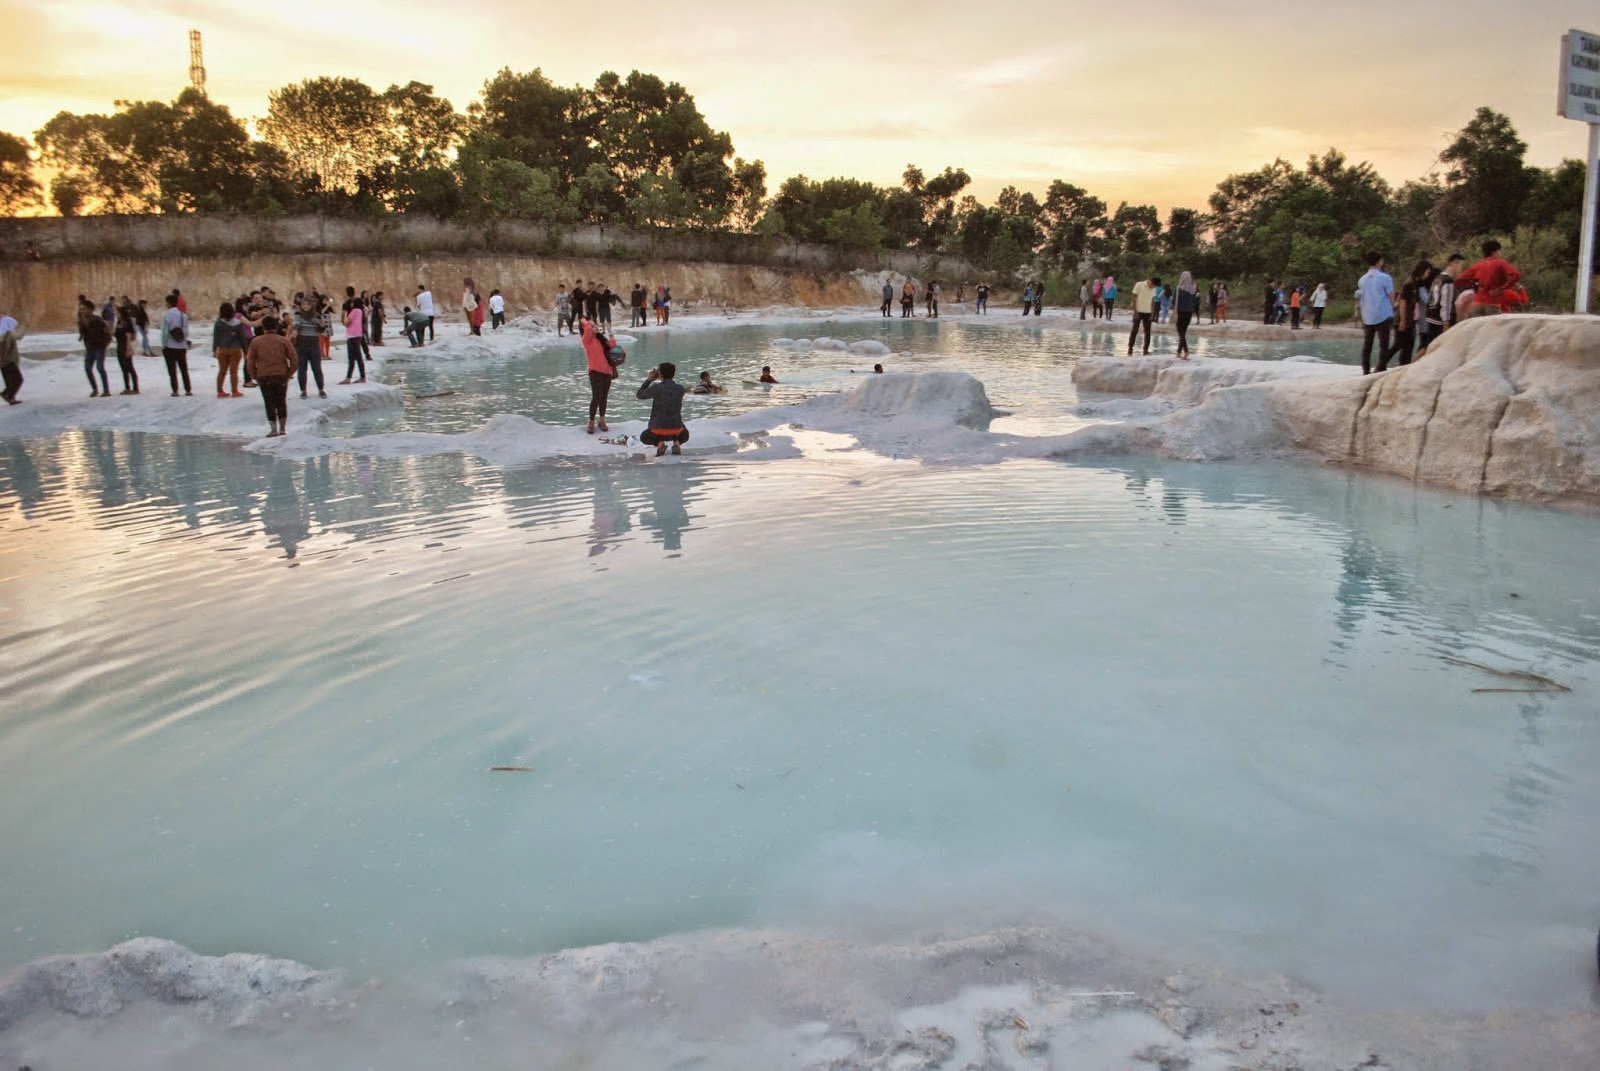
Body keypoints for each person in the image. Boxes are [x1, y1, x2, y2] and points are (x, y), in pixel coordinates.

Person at [246, 316, 297, 438]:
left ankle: (273, 429)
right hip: (281, 375)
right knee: (281, 402)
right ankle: (283, 428)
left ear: (263, 327)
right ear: (276, 326)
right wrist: (289, 373)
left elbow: (250, 361)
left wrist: (254, 375)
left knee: (269, 402)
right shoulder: (283, 341)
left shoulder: (256, 342)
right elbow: (294, 359)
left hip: (263, 375)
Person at [1379, 261, 1430, 371]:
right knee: (1398, 345)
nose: (1427, 274)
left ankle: (1403, 367)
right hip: (1403, 319)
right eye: (1427, 271)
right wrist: (1402, 321)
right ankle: (1381, 365)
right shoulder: (1409, 284)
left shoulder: (1416, 283)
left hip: (1411, 320)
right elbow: (1403, 302)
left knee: (1408, 346)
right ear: (1422, 271)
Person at [1453, 239, 1526, 316]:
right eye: (1499, 251)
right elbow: (1515, 275)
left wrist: (1475, 285)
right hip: (1492, 302)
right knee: (1495, 323)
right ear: (1494, 252)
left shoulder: (1477, 265)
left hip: (1477, 303)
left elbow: (1459, 281)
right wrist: (1502, 288)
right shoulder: (1500, 263)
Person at [637, 362, 689, 456]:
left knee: (644, 437)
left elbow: (639, 395)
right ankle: (677, 442)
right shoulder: (680, 389)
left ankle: (660, 443)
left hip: (657, 429)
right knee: (685, 434)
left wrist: (649, 380)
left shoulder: (656, 388)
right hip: (676, 429)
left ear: (660, 374)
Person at [1356, 252, 1395, 376]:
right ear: (1379, 262)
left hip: (1367, 315)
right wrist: (1393, 307)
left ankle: (1365, 369)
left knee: (1368, 344)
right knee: (1384, 344)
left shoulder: (1362, 280)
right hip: (1383, 314)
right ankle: (1381, 367)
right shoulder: (1385, 278)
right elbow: (1391, 295)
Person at [1421, 253, 1464, 353]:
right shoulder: (1448, 281)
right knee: (1436, 350)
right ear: (1455, 264)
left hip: (1431, 317)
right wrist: (1446, 322)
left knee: (1428, 348)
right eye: (1461, 265)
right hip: (1439, 321)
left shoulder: (1438, 278)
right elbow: (1446, 303)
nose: (1461, 269)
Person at [581, 318, 616, 434]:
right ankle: (591, 421)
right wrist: (586, 322)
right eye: (593, 326)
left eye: (596, 325)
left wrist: (610, 330)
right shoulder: (587, 340)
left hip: (607, 371)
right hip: (595, 371)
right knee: (596, 396)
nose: (595, 327)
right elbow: (587, 328)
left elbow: (613, 346)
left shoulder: (602, 339)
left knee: (604, 397)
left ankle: (602, 419)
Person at [292, 295, 327, 398]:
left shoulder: (317, 315)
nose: (305, 306)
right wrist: (295, 330)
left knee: (317, 368)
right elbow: (297, 324)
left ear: (312, 305)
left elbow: (321, 329)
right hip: (302, 345)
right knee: (302, 369)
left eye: (308, 304)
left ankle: (321, 389)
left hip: (314, 344)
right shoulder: (298, 314)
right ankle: (303, 390)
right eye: (303, 304)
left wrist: (321, 325)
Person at [212, 302, 248, 397]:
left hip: (223, 349)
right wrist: (245, 350)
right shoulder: (238, 323)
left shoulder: (218, 323)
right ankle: (235, 391)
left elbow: (216, 337)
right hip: (235, 349)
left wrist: (214, 349)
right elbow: (242, 337)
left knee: (222, 371)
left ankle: (220, 391)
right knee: (234, 371)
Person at [161, 292, 192, 396]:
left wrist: (163, 344)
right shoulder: (183, 316)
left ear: (169, 303)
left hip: (170, 346)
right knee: (184, 369)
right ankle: (188, 389)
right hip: (181, 346)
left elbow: (165, 332)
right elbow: (186, 332)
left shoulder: (167, 315)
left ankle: (175, 390)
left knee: (172, 370)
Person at [82, 306, 112, 397]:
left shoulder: (98, 320)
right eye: (82, 309)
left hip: (99, 347)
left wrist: (105, 344)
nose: (83, 311)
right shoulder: (82, 321)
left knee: (100, 368)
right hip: (90, 348)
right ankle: (95, 389)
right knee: (87, 368)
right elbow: (84, 335)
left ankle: (106, 390)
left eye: (84, 309)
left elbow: (105, 333)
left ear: (91, 309)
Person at [1127, 276, 1158, 355]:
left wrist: (1152, 313)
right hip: (1138, 311)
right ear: (1151, 282)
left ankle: (1145, 350)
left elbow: (1153, 301)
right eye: (1154, 285)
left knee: (1148, 332)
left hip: (1148, 312)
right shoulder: (1139, 284)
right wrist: (1135, 311)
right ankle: (1130, 349)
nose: (1154, 287)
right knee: (1134, 330)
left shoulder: (1154, 289)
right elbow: (1134, 298)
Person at [113, 303, 139, 394]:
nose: (116, 314)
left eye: (117, 312)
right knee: (123, 368)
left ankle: (135, 388)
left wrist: (128, 349)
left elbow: (129, 336)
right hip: (119, 346)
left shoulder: (127, 324)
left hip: (125, 346)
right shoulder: (119, 323)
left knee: (129, 367)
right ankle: (127, 387)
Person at [1174, 271, 1200, 360]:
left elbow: (1174, 302)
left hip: (1180, 312)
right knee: (1183, 332)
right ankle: (1178, 352)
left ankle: (1186, 351)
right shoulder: (1192, 290)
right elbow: (1194, 302)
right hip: (1189, 313)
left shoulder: (1178, 289)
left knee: (1180, 332)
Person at [340, 299, 366, 384]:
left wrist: (343, 320)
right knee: (358, 357)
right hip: (358, 334)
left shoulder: (354, 311)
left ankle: (349, 378)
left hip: (352, 335)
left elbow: (347, 322)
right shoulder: (360, 311)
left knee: (352, 358)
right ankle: (361, 376)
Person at [0, 314, 21, 404]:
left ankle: (10, 397)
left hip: (4, 362)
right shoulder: (6, 335)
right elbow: (18, 337)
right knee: (18, 379)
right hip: (7, 361)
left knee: (10, 381)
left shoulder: (3, 334)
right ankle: (7, 394)